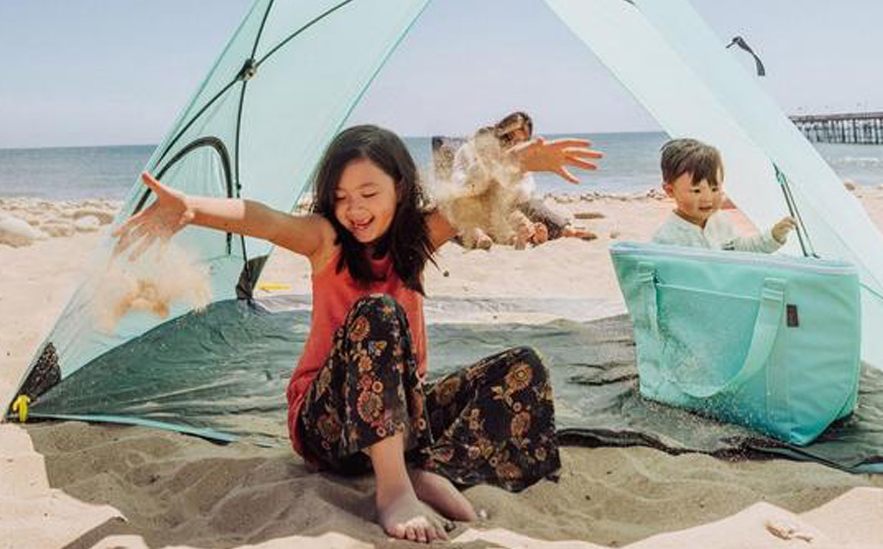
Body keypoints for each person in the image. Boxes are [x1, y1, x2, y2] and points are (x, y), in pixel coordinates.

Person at [113, 125, 601, 543]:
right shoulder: (325, 241)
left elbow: (477, 193)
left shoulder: (417, 240)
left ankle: (427, 471)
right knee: (378, 311)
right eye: (342, 197)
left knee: (523, 366)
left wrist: (522, 159)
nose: (355, 209)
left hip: (401, 418)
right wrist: (192, 210)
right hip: (327, 425)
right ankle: (392, 489)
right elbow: (264, 219)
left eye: (369, 194)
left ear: (401, 190)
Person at [442, 111, 596, 250]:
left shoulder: (521, 158)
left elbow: (526, 193)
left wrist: (513, 175)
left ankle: (565, 231)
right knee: (466, 213)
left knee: (530, 206)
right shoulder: (471, 149)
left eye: (521, 141)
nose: (514, 144)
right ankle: (485, 237)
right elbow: (458, 184)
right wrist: (486, 172)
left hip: (507, 206)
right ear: (501, 132)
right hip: (472, 202)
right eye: (510, 137)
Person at [652, 137, 795, 251]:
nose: (708, 198)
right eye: (696, 191)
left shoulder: (719, 221)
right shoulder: (666, 240)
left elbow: (744, 249)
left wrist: (773, 236)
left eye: (715, 189)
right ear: (670, 190)